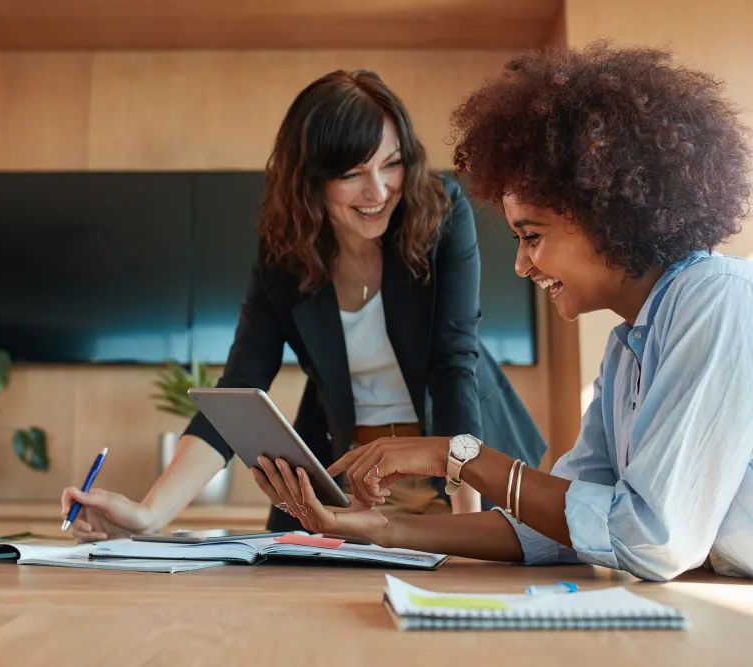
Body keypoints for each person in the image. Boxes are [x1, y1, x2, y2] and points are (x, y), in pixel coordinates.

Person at [253, 42, 753, 582]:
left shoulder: (717, 299)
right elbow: (560, 529)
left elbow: (650, 539)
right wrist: (379, 530)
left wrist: (457, 454)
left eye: (531, 236)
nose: (520, 264)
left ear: (609, 217)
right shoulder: (626, 351)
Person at [61, 69, 546, 541]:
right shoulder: (285, 253)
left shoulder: (440, 213)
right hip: (353, 481)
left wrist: (467, 526)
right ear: (310, 180)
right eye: (353, 173)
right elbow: (239, 390)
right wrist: (148, 514)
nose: (378, 191)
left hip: (460, 469)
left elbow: (452, 363)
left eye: (391, 163)